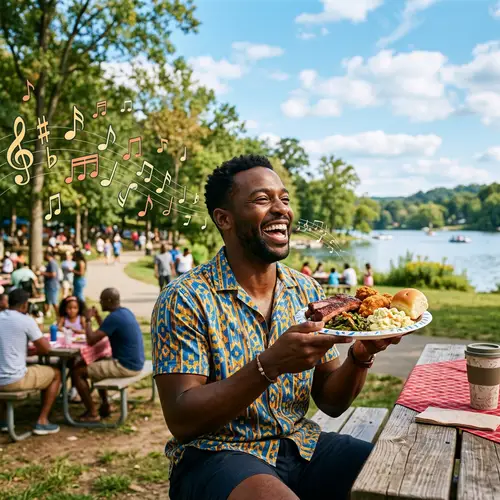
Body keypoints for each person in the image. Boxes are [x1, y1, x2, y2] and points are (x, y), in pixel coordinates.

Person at [151, 154, 401, 500]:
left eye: (284, 198)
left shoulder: (307, 291)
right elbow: (182, 418)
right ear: (224, 219)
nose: (281, 209)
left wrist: (360, 355)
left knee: (395, 477)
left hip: (300, 446)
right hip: (215, 455)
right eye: (262, 199)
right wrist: (269, 365)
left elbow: (331, 401)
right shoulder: (185, 298)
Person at [72, 288, 145, 422]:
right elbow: (106, 330)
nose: (100, 302)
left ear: (109, 301)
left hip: (126, 366)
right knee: (96, 362)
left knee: (77, 372)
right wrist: (98, 317)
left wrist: (88, 319)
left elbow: (91, 340)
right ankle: (105, 405)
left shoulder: (114, 317)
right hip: (135, 362)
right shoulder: (124, 312)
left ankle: (92, 413)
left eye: (102, 300)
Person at [0, 289, 61, 434]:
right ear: (24, 305)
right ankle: (42, 421)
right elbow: (45, 349)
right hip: (13, 380)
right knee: (56, 373)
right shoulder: (26, 320)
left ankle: (3, 420)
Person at [42, 251, 60, 318]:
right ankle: (44, 315)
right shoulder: (50, 263)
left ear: (47, 255)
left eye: (44, 255)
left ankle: (59, 316)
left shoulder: (52, 263)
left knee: (54, 302)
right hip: (49, 285)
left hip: (52, 286)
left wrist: (42, 273)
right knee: (47, 302)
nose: (43, 257)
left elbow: (53, 274)